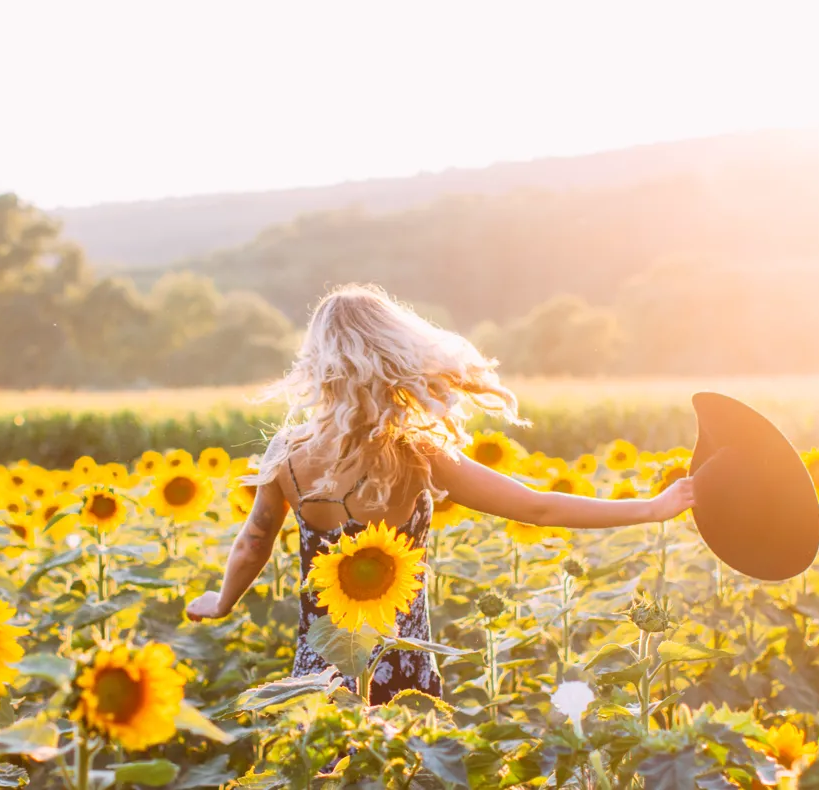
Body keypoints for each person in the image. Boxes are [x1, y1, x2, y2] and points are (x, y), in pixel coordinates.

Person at [184, 283, 694, 703]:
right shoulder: (414, 449)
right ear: (395, 353)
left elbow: (255, 540)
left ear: (319, 361)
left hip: (319, 671)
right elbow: (535, 506)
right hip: (401, 665)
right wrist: (652, 508)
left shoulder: (288, 450)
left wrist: (222, 600)